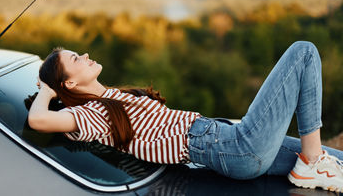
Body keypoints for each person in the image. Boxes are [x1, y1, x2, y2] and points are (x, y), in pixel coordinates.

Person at [28, 41, 343, 192]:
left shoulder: (112, 97)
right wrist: (46, 90)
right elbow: (39, 121)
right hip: (232, 146)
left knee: (337, 160)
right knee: (303, 52)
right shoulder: (91, 115)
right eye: (75, 59)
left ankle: (315, 159)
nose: (83, 55)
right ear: (69, 83)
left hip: (226, 140)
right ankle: (312, 161)